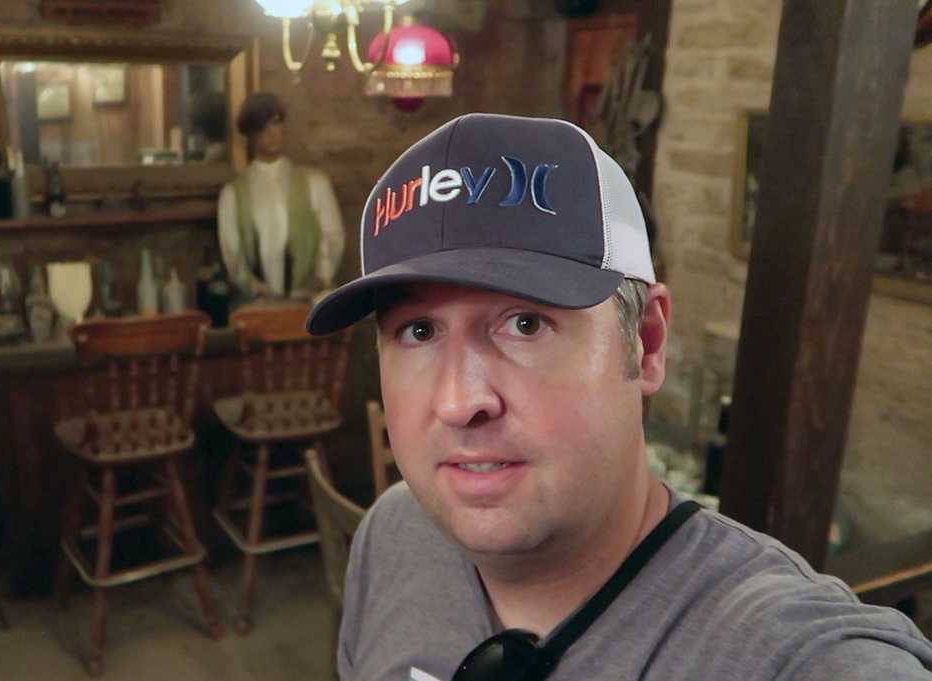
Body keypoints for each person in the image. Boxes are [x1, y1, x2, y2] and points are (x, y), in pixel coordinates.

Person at [305, 114, 932, 681]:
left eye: (526, 324)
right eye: (417, 331)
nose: (459, 401)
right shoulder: (394, 532)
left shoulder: (789, 655)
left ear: (647, 342)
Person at [217, 92, 345, 301]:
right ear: (250, 134)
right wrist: (258, 290)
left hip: (311, 301)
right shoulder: (232, 194)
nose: (271, 133)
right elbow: (233, 254)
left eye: (276, 123)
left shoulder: (315, 182)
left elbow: (332, 237)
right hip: (258, 307)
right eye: (262, 126)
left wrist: (320, 278)